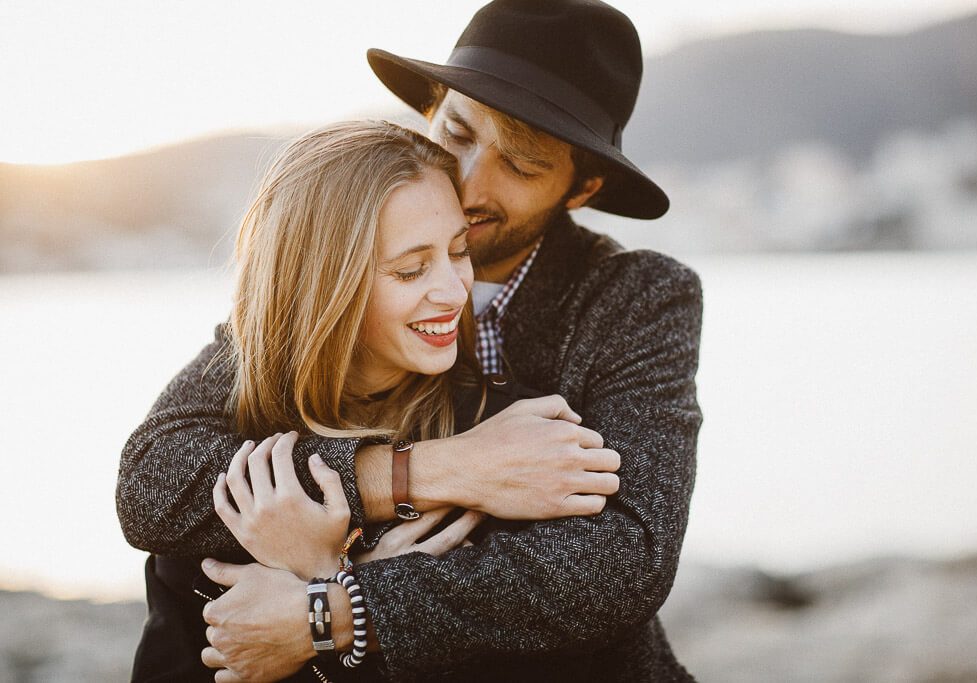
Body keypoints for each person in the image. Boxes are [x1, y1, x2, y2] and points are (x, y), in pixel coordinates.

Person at [117, 0, 703, 680]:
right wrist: (435, 470)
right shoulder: (337, 255)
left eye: (521, 164)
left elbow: (620, 561)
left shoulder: (635, 297)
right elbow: (155, 480)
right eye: (458, 130)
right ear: (431, 108)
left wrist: (334, 605)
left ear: (581, 187)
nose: (470, 180)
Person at [126, 120, 617, 682]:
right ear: (323, 285)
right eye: (411, 269)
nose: (455, 293)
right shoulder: (223, 455)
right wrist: (331, 575)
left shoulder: (507, 440)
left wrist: (329, 589)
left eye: (459, 252)